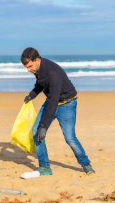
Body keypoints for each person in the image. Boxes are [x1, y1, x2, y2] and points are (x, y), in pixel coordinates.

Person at [21, 47, 95, 176]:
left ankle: (86, 164)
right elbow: (40, 83)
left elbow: (53, 102)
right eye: (26, 67)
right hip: (51, 101)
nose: (28, 70)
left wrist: (44, 126)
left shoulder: (52, 73)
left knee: (70, 138)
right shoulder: (38, 69)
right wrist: (32, 95)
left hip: (67, 104)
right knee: (36, 132)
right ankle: (45, 167)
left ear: (37, 60)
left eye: (30, 66)